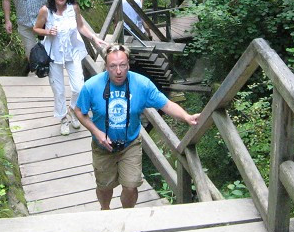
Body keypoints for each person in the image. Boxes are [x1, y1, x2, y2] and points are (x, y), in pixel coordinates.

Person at [73, 44, 200, 210]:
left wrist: (187, 117)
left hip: (130, 143)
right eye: (113, 66)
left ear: (128, 65)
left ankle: (128, 213)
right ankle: (105, 209)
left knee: (131, 185)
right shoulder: (92, 86)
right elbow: (78, 111)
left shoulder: (142, 84)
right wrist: (97, 132)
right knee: (105, 186)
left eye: (122, 65)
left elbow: (166, 104)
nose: (118, 71)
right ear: (106, 66)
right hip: (102, 146)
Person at [33, 0, 107, 136]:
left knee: (79, 87)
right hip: (54, 54)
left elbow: (80, 27)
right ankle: (63, 119)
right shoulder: (46, 11)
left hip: (72, 51)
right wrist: (48, 32)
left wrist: (94, 38)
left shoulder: (73, 8)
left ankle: (73, 110)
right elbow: (36, 29)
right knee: (58, 91)